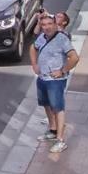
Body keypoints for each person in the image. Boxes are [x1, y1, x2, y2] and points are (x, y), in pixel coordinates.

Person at [30, 15, 79, 154]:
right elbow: (33, 48)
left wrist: (63, 71)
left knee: (58, 108)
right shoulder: (43, 37)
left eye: (49, 24)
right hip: (43, 77)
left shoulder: (62, 39)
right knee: (46, 104)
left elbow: (74, 58)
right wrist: (34, 64)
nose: (46, 27)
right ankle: (52, 130)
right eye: (43, 24)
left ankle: (60, 140)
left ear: (55, 25)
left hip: (55, 81)